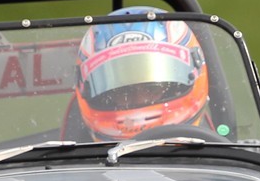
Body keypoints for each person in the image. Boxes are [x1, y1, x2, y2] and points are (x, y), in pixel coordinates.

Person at [71, 9, 211, 140]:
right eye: (122, 91)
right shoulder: (59, 160)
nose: (140, 99)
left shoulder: (224, 154)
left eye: (152, 88)